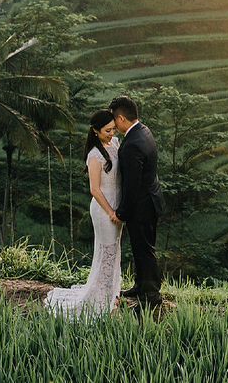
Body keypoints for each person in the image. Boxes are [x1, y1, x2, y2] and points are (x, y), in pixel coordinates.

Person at [43, 109, 123, 316]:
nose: (112, 133)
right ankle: (101, 300)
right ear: (95, 131)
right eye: (107, 130)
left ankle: (112, 294)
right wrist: (111, 212)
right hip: (104, 209)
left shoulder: (114, 144)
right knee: (107, 252)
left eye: (113, 129)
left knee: (114, 251)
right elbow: (94, 189)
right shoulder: (94, 155)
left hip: (117, 208)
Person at [109, 95, 165, 310]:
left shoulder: (132, 144)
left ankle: (151, 296)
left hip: (142, 205)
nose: (113, 125)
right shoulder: (144, 131)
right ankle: (141, 285)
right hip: (151, 198)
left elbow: (132, 185)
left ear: (121, 118)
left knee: (143, 249)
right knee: (142, 247)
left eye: (115, 120)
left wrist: (122, 212)